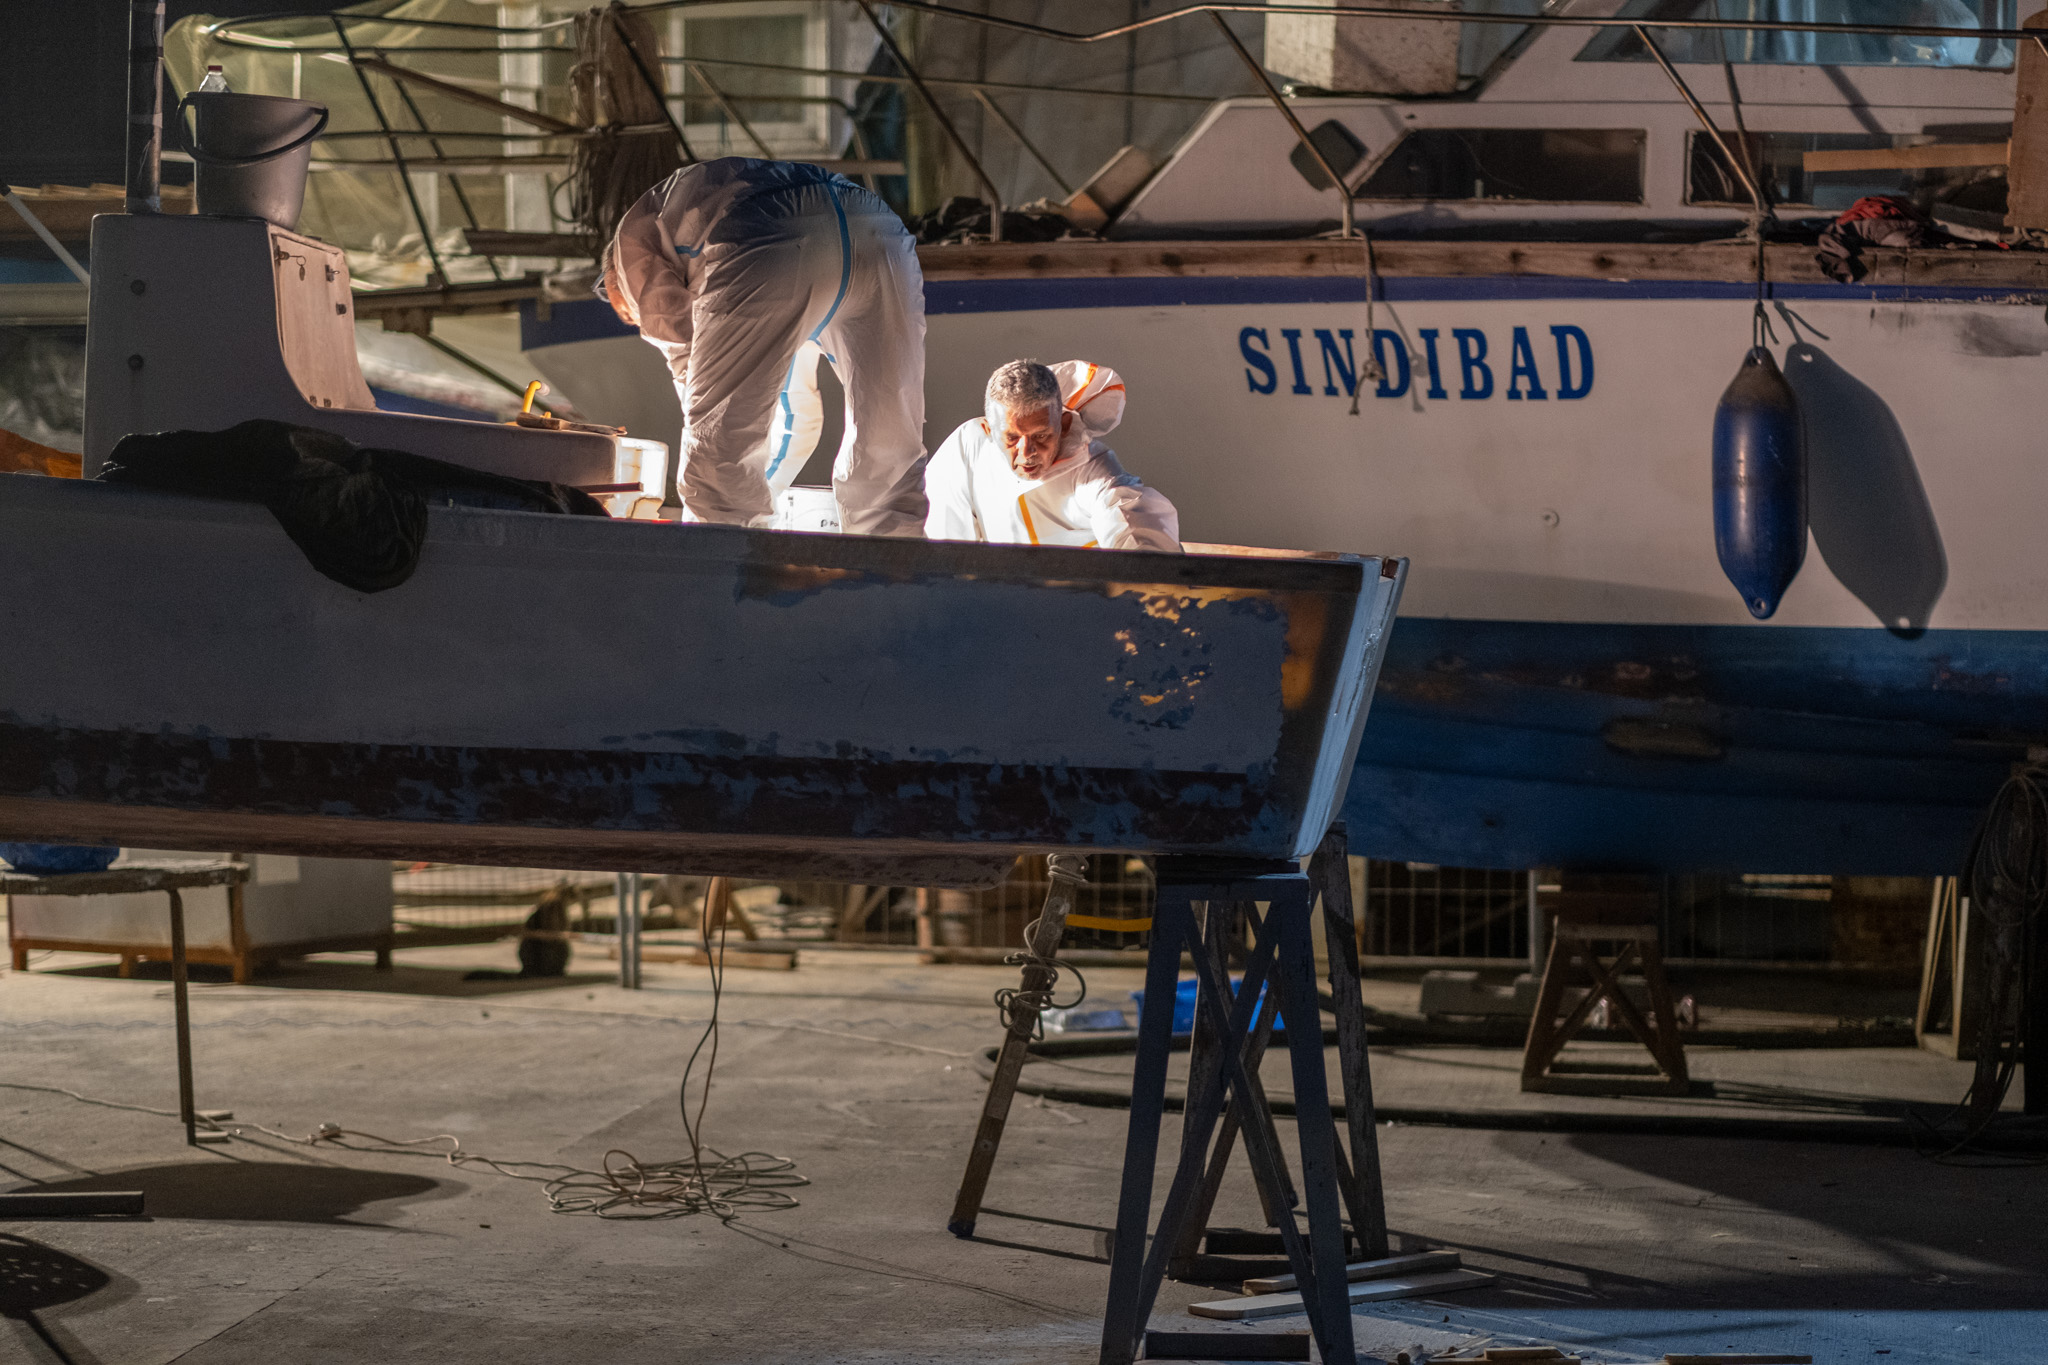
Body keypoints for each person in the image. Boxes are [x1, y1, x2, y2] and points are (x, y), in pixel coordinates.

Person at [604, 157, 927, 535]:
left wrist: (735, 486)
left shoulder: (630, 246)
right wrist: (767, 489)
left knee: (718, 456)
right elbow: (797, 416)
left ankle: (722, 574)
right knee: (891, 432)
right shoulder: (681, 222)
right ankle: (895, 568)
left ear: (614, 280)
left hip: (763, 233)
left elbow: (686, 355)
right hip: (877, 225)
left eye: (628, 314)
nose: (634, 319)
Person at [924, 359, 1180, 552]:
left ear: (1064, 425)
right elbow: (942, 541)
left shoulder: (1093, 474)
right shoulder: (968, 445)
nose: (1026, 453)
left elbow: (1132, 525)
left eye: (1041, 436)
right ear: (989, 429)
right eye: (1012, 438)